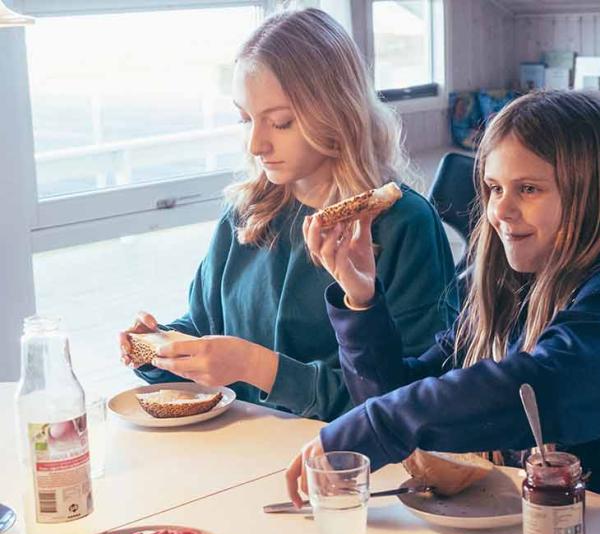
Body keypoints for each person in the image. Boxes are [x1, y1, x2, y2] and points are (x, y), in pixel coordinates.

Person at [119, 8, 458, 422]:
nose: (256, 144)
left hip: (343, 467)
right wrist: (159, 349)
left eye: (280, 123)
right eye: (245, 119)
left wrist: (258, 368)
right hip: (240, 454)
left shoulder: (404, 223)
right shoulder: (244, 212)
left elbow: (414, 398)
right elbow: (204, 325)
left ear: (336, 112)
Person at [286, 89, 600, 502]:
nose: (500, 212)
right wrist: (361, 300)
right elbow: (398, 393)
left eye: (528, 189)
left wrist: (380, 424)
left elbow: (542, 382)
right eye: (494, 188)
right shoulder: (509, 292)